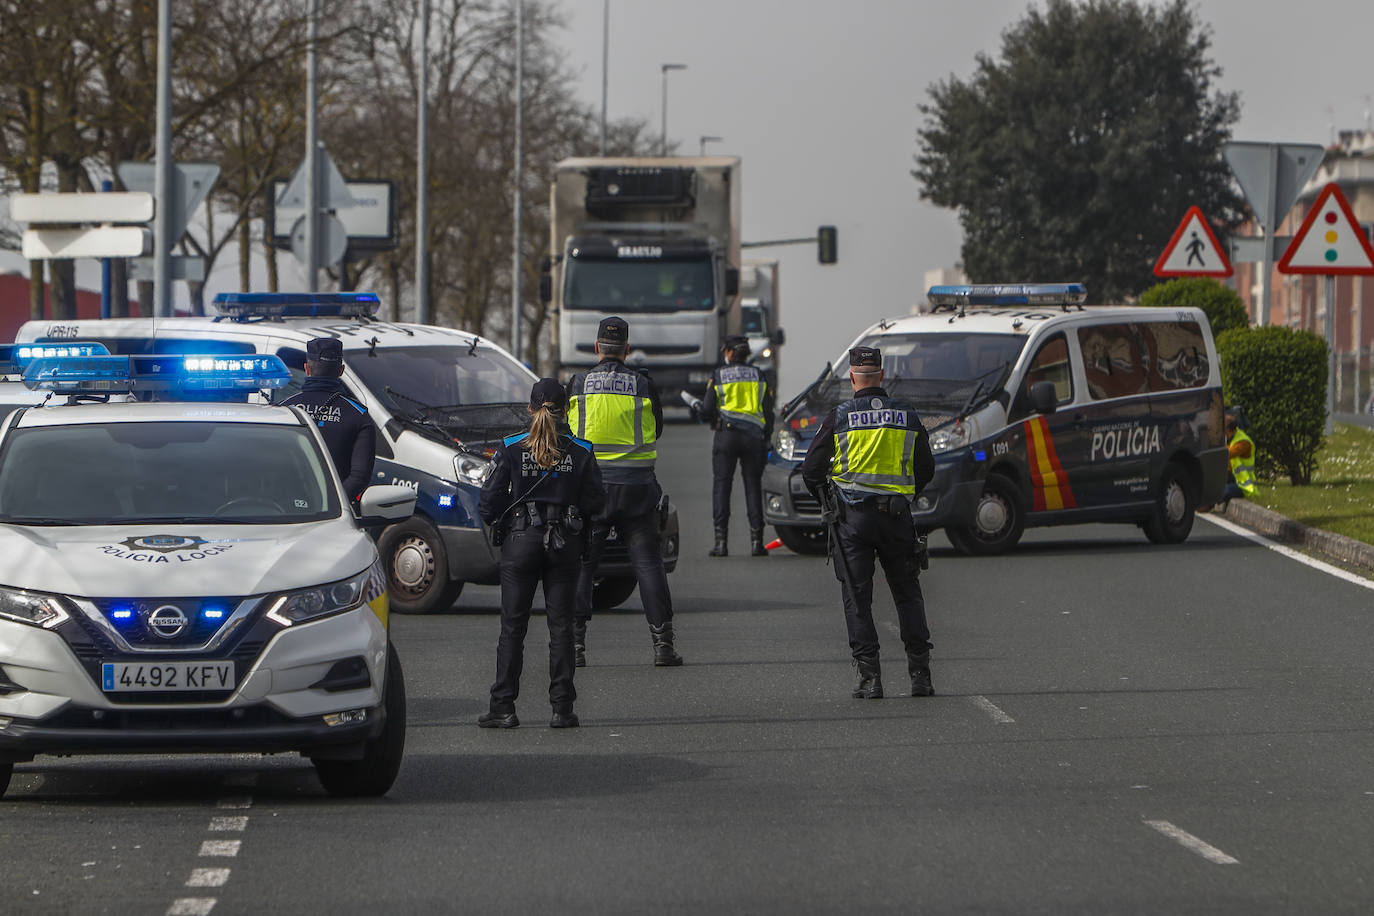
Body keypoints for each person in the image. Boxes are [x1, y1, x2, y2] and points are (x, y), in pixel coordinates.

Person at [800, 346, 936, 699]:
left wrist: (830, 502)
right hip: (896, 518)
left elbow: (811, 470)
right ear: (882, 374)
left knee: (858, 598)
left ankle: (870, 678)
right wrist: (904, 495)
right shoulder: (906, 414)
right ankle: (920, 675)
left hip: (853, 520)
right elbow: (926, 468)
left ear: (851, 377)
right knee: (907, 595)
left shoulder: (840, 415)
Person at [476, 378, 605, 729]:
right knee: (561, 627)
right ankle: (562, 709)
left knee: (512, 628)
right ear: (566, 411)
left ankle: (503, 706)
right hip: (564, 542)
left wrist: (510, 510)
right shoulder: (580, 449)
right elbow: (597, 502)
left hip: (521, 540)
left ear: (530, 409)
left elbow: (488, 504)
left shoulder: (511, 447)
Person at [568, 316, 683, 668]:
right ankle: (663, 644)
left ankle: (575, 646)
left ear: (597, 347)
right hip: (637, 488)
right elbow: (657, 429)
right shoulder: (643, 384)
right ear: (627, 350)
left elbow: (567, 433)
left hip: (592, 487)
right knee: (648, 564)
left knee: (584, 564)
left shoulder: (578, 383)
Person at [696, 335, 775, 557]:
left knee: (722, 487)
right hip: (754, 438)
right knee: (752, 487)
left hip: (726, 436)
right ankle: (756, 543)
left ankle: (721, 543)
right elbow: (768, 411)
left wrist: (701, 411)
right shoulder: (759, 376)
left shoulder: (719, 376)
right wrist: (767, 437)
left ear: (729, 352)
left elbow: (707, 408)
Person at [280, 338, 375, 502]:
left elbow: (271, 467)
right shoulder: (358, 414)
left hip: (285, 510)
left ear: (306, 369)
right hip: (334, 517)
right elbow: (359, 477)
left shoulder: (284, 409)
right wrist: (330, 505)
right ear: (341, 371)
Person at [1203, 409, 1256, 511]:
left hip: (1242, 485)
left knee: (1222, 493)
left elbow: (1227, 454)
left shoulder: (1243, 442)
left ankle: (1208, 505)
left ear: (1228, 429)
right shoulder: (1228, 439)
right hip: (1229, 479)